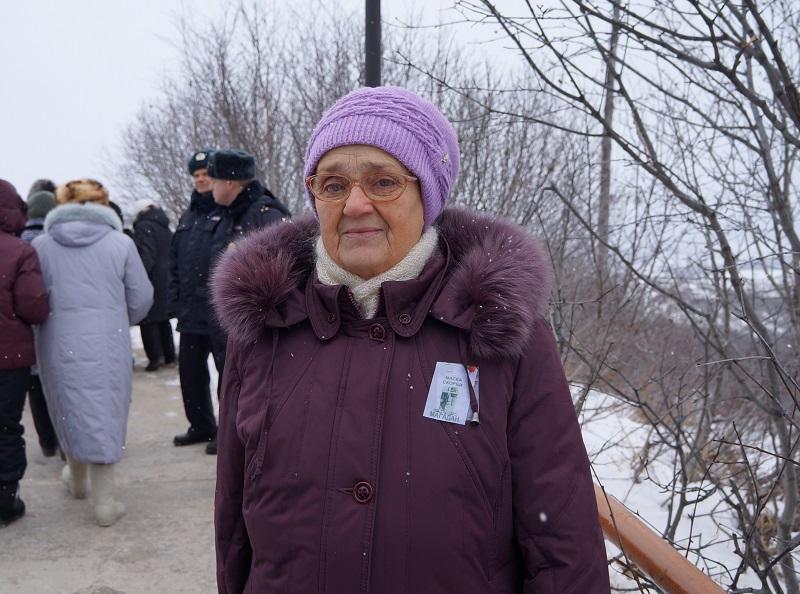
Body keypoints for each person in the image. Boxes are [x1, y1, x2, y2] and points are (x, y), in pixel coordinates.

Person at [211, 87, 610, 592]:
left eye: (383, 182)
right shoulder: (261, 331)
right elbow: (233, 530)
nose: (355, 204)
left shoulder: (501, 335)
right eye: (333, 184)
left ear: (428, 193)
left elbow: (564, 544)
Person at [33, 179, 153, 527]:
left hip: (56, 341)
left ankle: (77, 479)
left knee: (67, 405)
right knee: (105, 409)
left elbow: (33, 297)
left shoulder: (42, 245)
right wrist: (117, 317)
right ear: (103, 203)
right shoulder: (120, 243)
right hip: (107, 342)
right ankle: (105, 501)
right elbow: (142, 297)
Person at [172, 149, 290, 456]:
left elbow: (281, 275)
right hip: (202, 312)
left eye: (214, 180)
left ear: (232, 183)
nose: (208, 185)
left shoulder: (264, 215)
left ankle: (238, 433)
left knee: (238, 380)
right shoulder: (222, 213)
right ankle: (210, 426)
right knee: (199, 373)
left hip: (243, 321)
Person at [169, 150, 227, 454]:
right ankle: (201, 424)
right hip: (191, 311)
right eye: (196, 175)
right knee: (190, 374)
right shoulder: (188, 216)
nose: (201, 179)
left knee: (227, 375)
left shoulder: (226, 212)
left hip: (219, 311)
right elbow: (175, 262)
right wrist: (173, 299)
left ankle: (225, 431)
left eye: (206, 174)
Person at [0, 179, 49, 527]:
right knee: (5, 427)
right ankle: (5, 498)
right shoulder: (18, 251)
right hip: (8, 357)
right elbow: (34, 307)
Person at [20, 189, 60, 458]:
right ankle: (66, 442)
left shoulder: (20, 242)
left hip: (26, 327)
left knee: (35, 388)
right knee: (60, 387)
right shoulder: (55, 241)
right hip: (57, 324)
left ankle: (47, 441)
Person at [132, 199, 175, 371]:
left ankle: (155, 357)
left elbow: (147, 255)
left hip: (151, 278)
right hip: (166, 277)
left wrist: (138, 276)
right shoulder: (164, 226)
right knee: (163, 319)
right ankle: (169, 355)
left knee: (148, 319)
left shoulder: (144, 227)